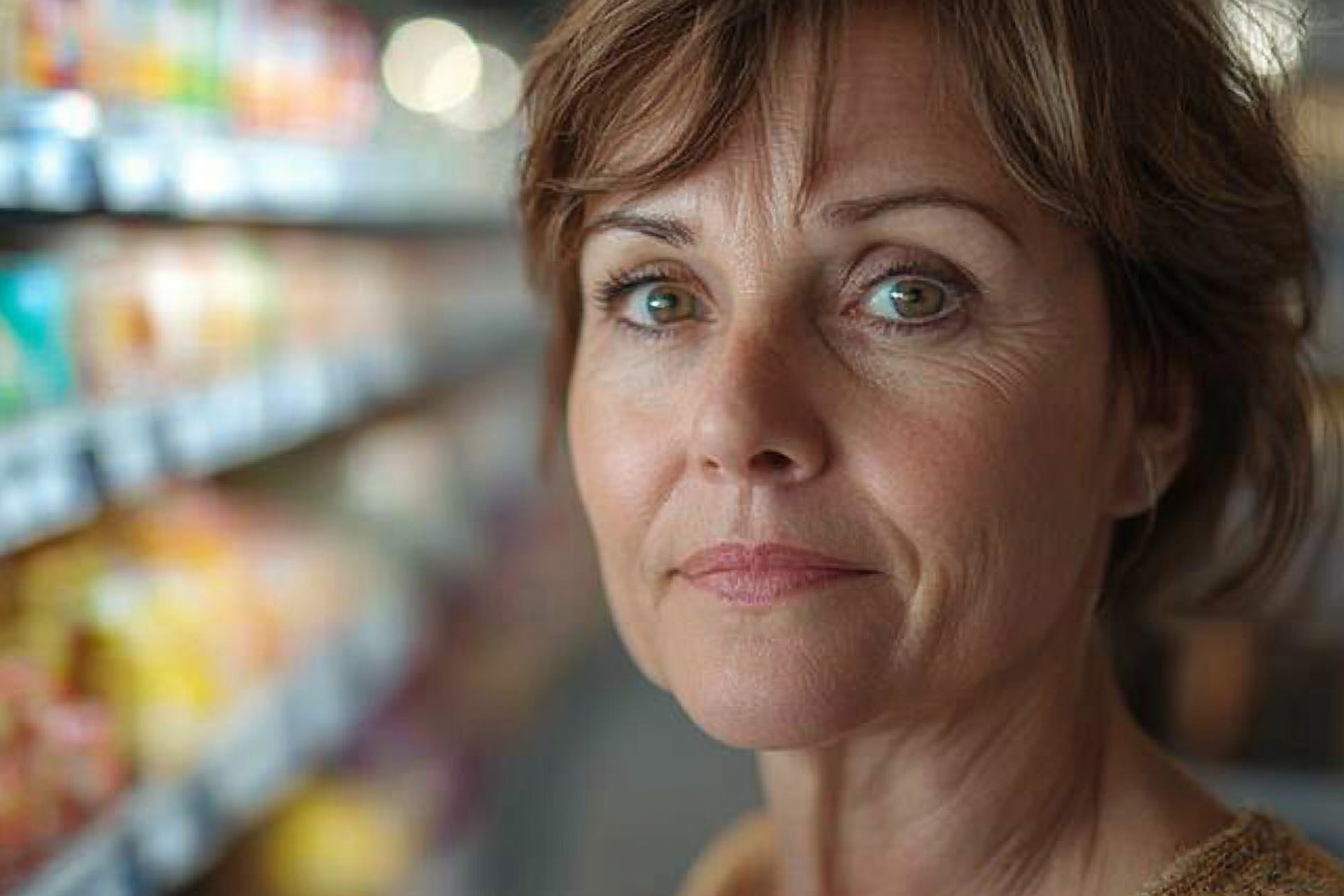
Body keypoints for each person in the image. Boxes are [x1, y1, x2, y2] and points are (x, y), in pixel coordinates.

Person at [517, 0, 1344, 894]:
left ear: (1152, 408)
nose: (735, 425)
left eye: (907, 295)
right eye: (659, 299)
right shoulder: (741, 876)